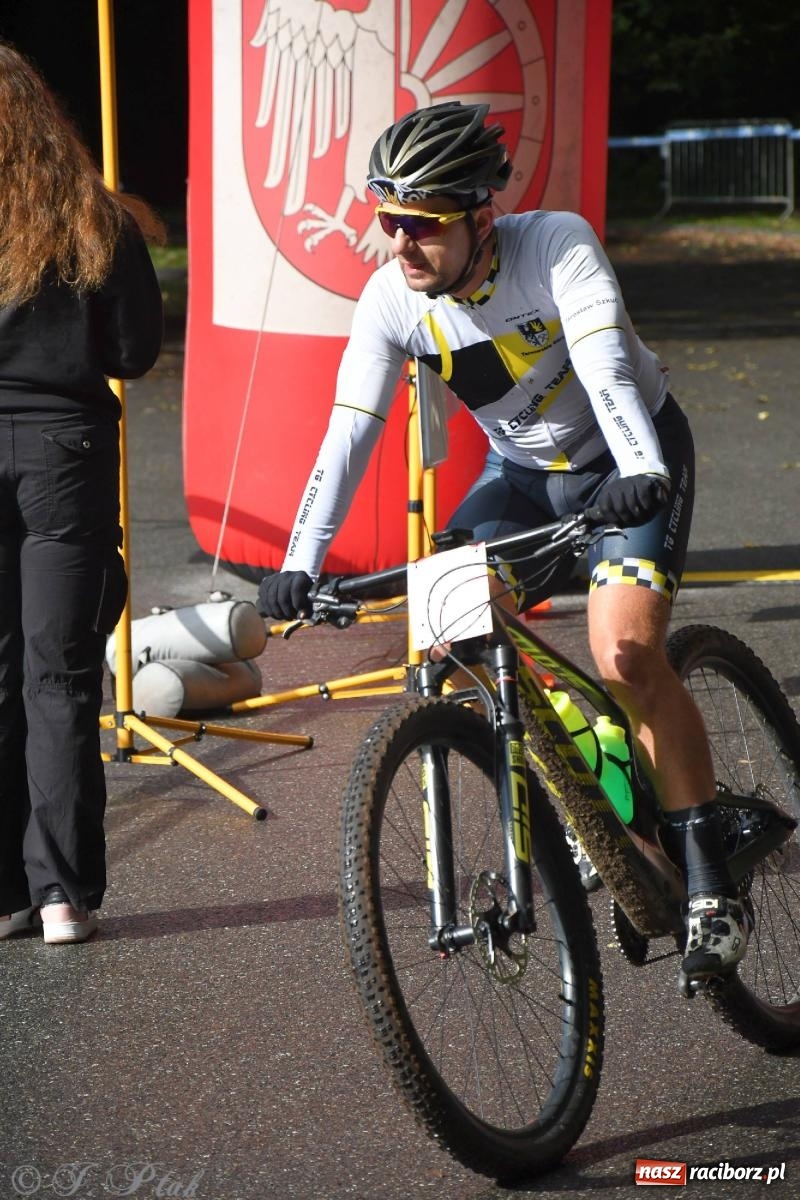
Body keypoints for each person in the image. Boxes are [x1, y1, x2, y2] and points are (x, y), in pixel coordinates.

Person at [258, 102, 748, 979]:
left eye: (422, 225)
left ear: (483, 215)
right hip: (522, 479)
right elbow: (348, 435)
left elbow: (602, 367)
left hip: (627, 450)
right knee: (447, 632)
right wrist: (300, 562)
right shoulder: (392, 301)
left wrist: (639, 469)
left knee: (627, 654)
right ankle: (593, 780)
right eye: (387, 220)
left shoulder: (555, 244)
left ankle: (712, 877)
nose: (399, 244)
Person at [0, 43, 164, 945]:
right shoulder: (90, 220)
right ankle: (60, 892)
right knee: (58, 673)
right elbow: (134, 352)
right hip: (64, 448)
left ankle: (3, 890)